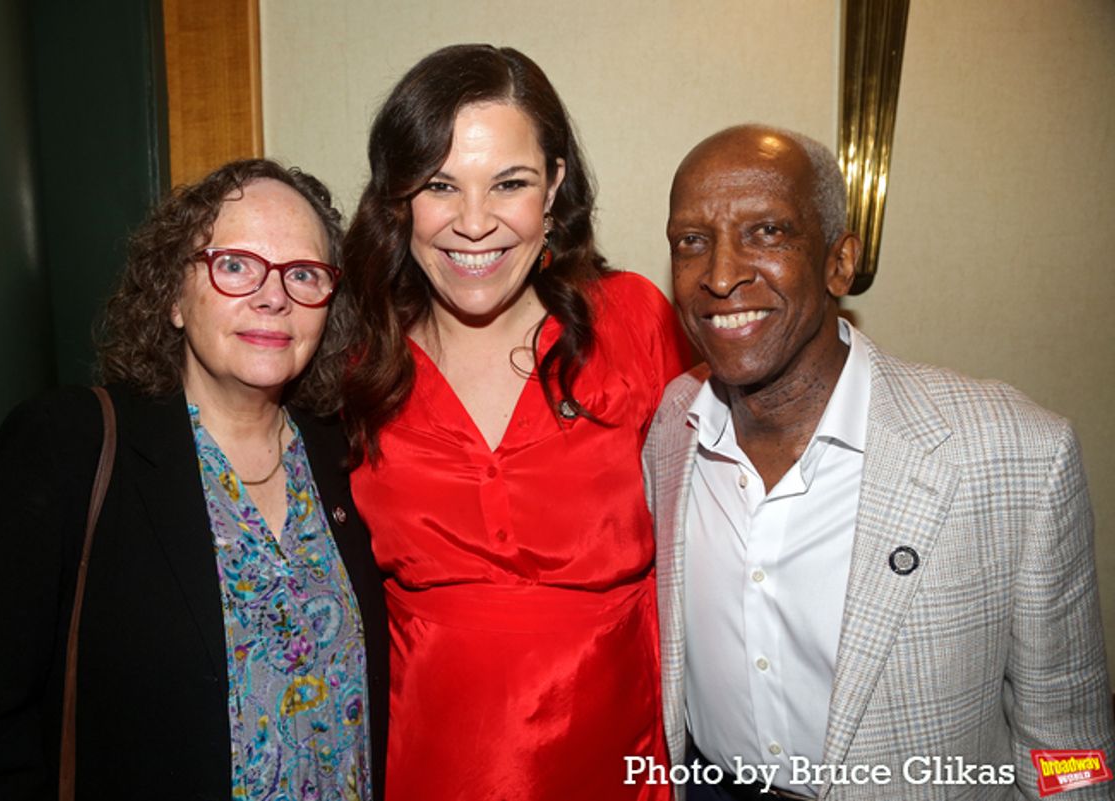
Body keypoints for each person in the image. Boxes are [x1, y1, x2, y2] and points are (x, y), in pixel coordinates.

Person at [643, 124, 1115, 800]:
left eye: (767, 233)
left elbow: (1072, 745)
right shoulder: (672, 427)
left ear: (840, 262)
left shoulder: (1015, 456)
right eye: (692, 242)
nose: (720, 274)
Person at [0, 159, 388, 800]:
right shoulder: (68, 444)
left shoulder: (348, 455)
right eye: (234, 264)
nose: (273, 296)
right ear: (174, 296)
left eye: (303, 274)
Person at [342, 44, 689, 799]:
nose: (474, 224)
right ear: (398, 198)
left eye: (510, 183)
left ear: (555, 187)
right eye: (440, 184)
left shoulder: (634, 321)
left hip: (621, 766)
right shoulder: (355, 363)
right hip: (424, 768)